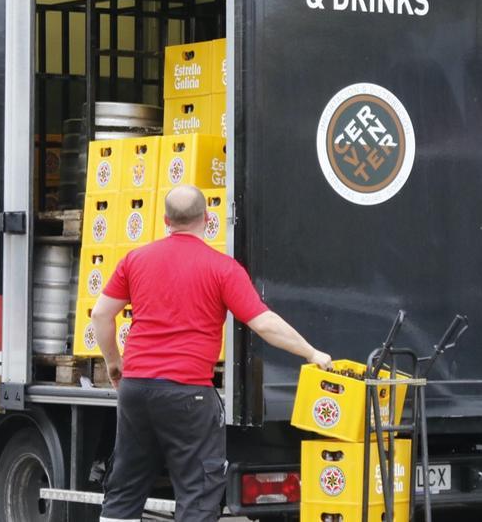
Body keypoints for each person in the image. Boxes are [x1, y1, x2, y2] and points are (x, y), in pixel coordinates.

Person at [92, 184, 332, 522]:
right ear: (208, 218)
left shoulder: (136, 259)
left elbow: (101, 315)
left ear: (166, 220)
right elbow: (264, 324)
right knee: (198, 493)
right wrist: (311, 352)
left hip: (136, 390)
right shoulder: (222, 268)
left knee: (124, 489)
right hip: (188, 395)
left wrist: (114, 364)